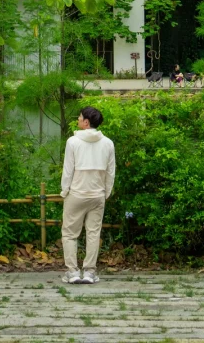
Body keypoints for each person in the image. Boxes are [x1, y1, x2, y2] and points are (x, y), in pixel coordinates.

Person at [61, 105, 116, 286]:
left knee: (69, 233)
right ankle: (90, 272)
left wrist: (64, 191)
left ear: (86, 122)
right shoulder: (108, 143)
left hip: (76, 194)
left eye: (79, 117)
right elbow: (111, 172)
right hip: (97, 195)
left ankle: (73, 271)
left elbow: (68, 171)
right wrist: (106, 192)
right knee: (93, 233)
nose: (77, 119)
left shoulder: (73, 142)